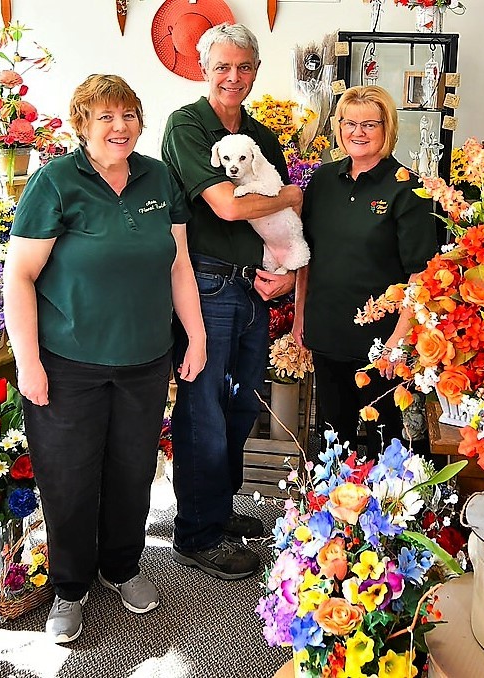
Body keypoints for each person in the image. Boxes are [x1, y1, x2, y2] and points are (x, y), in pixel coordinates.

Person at [4, 74, 206, 643]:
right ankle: (69, 588)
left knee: (133, 471)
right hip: (69, 363)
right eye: (106, 117)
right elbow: (18, 275)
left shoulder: (158, 177)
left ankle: (122, 567)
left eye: (129, 115)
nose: (120, 128)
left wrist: (196, 335)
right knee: (68, 478)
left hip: (145, 360)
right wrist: (28, 363)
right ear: (83, 125)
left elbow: (178, 265)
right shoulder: (56, 182)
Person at [161, 23, 302, 580]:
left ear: (255, 71)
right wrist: (289, 192)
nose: (233, 77)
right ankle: (197, 532)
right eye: (223, 66)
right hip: (205, 284)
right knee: (203, 411)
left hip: (255, 284)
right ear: (204, 68)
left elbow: (277, 218)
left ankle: (217, 510)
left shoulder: (263, 135)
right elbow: (227, 206)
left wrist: (286, 273)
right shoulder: (186, 126)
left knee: (243, 405)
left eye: (244, 67)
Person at [292, 85, 437, 459]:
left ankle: (382, 514)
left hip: (380, 342)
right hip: (327, 332)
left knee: (383, 441)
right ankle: (332, 512)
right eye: (349, 123)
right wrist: (298, 319)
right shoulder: (323, 181)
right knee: (330, 440)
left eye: (369, 124)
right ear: (338, 127)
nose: (358, 132)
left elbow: (421, 276)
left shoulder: (407, 188)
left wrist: (399, 341)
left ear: (387, 128)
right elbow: (306, 255)